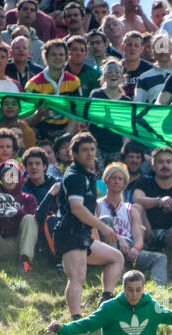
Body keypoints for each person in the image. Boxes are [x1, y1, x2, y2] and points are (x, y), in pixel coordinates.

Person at [51, 131, 123, 318]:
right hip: (69, 233)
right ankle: (76, 319)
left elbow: (88, 211)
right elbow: (77, 208)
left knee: (116, 258)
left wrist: (95, 230)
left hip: (82, 233)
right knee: (77, 277)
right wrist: (102, 227)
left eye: (92, 149)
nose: (90, 153)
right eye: (84, 150)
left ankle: (105, 301)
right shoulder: (74, 175)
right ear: (74, 154)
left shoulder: (88, 175)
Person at [95, 160, 169, 286]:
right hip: (107, 246)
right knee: (106, 220)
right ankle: (116, 279)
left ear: (125, 183)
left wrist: (135, 249)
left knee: (160, 258)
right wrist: (119, 240)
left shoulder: (131, 208)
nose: (116, 181)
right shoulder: (97, 205)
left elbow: (138, 237)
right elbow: (97, 228)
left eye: (120, 178)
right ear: (106, 181)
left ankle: (159, 289)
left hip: (128, 248)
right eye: (113, 178)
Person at [131, 144, 172, 251]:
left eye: (168, 162)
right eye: (160, 162)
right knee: (137, 207)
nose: (165, 165)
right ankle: (139, 245)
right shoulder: (144, 182)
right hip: (148, 232)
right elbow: (137, 199)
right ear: (152, 166)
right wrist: (159, 201)